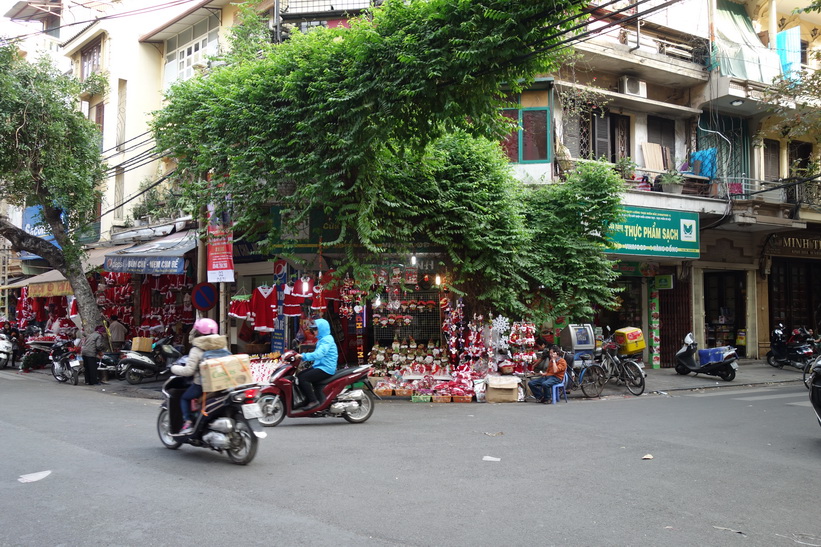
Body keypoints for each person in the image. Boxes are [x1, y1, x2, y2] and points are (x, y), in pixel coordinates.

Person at [170, 318, 230, 435]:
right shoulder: (222, 346)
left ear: (199, 332)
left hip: (203, 385)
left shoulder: (197, 349)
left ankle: (188, 422)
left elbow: (188, 371)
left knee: (185, 398)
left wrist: (173, 368)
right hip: (223, 383)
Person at [295, 318, 337, 411]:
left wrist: (303, 356)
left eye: (315, 329)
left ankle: (313, 401)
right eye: (312, 329)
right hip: (320, 366)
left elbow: (319, 354)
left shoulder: (327, 340)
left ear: (322, 329)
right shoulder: (323, 339)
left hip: (326, 368)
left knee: (303, 378)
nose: (313, 331)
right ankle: (308, 399)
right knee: (300, 375)